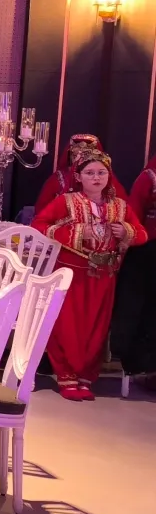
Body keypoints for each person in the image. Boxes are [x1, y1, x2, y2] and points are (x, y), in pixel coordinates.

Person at [34, 151, 147, 400]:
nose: (96, 178)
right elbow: (39, 225)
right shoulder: (66, 202)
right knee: (68, 326)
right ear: (78, 176)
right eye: (90, 173)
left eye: (101, 173)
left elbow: (142, 234)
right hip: (71, 274)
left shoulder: (120, 206)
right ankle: (66, 377)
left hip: (105, 276)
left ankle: (85, 378)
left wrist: (126, 232)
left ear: (109, 175)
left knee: (96, 329)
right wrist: (75, 232)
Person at [111, 152, 156, 380]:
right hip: (148, 251)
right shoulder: (149, 177)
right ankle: (140, 365)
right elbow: (134, 216)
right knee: (142, 307)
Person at [33, 133, 128, 213]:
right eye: (76, 156)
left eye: (86, 157)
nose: (96, 177)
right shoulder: (58, 179)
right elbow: (42, 213)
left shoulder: (108, 179)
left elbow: (125, 211)